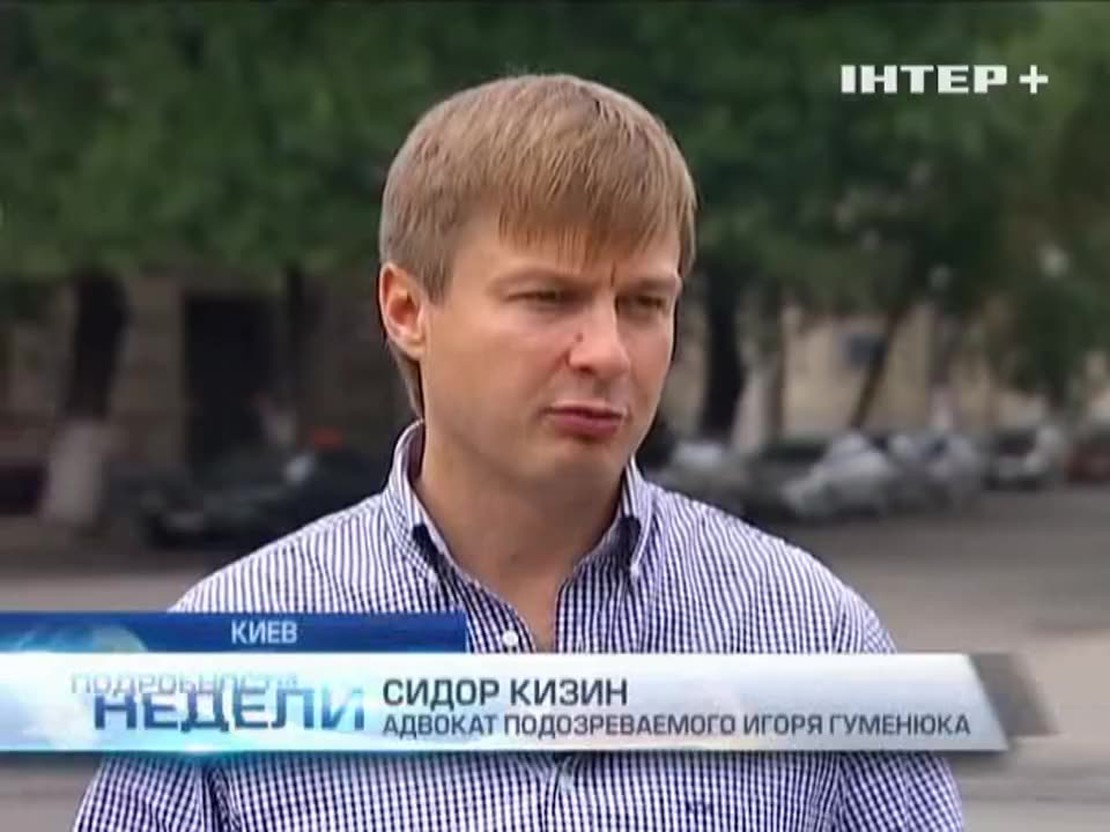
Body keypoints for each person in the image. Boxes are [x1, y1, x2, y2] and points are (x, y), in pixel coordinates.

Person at [75, 73, 962, 831]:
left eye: (644, 304)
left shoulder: (810, 635)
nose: (607, 353)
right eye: (548, 298)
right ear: (407, 310)